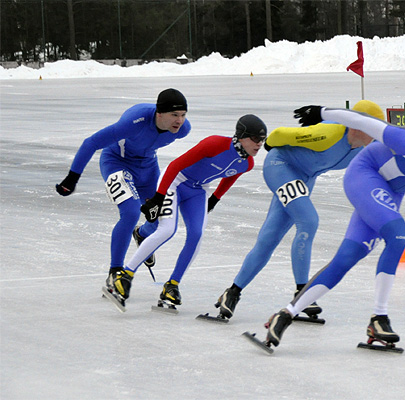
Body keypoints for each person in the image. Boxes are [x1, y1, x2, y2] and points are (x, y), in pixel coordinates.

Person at [262, 105, 405, 349]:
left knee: (348, 256)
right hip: (365, 174)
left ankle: (285, 314)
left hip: (391, 191)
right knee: (398, 235)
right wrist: (321, 113)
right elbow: (364, 121)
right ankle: (379, 317)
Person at [213, 100, 385, 321]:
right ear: (356, 125)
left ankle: (232, 292)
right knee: (308, 220)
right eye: (372, 126)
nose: (377, 132)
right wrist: (268, 146)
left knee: (269, 238)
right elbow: (278, 134)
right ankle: (302, 293)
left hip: (304, 178)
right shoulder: (329, 132)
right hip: (281, 166)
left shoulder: (366, 147)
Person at [104, 114, 267, 311]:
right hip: (176, 181)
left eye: (263, 140)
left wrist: (215, 198)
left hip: (198, 190)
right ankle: (125, 275)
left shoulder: (247, 163)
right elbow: (175, 165)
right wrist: (158, 196)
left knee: (196, 235)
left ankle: (172, 286)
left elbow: (231, 176)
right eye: (256, 139)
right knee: (166, 230)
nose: (259, 144)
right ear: (241, 136)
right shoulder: (214, 144)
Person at [56, 88, 191, 287]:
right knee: (130, 213)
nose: (179, 121)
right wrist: (72, 177)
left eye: (183, 115)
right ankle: (115, 270)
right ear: (159, 113)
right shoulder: (134, 122)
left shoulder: (183, 130)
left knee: (158, 216)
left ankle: (142, 234)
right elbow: (91, 143)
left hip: (147, 167)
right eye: (174, 115)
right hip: (117, 162)